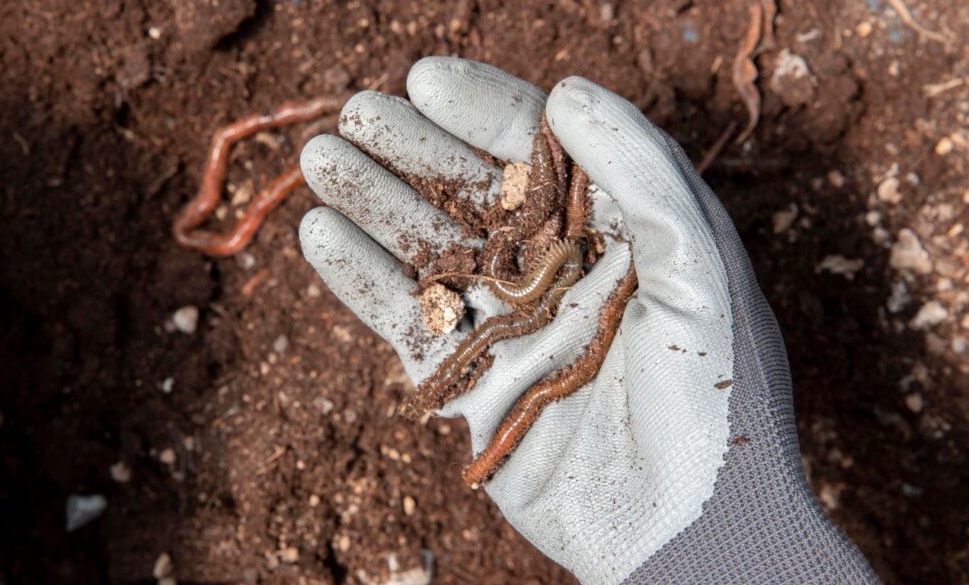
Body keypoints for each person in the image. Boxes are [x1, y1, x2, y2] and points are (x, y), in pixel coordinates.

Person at [297, 57, 880, 584]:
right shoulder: (541, 262)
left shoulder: (555, 258)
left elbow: (546, 282)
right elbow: (535, 289)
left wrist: (710, 542)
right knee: (511, 322)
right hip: (535, 275)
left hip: (541, 273)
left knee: (514, 324)